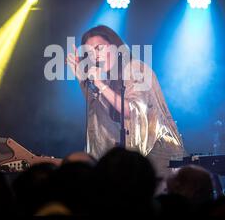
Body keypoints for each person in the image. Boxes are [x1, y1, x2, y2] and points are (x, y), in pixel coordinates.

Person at [66, 25, 186, 179]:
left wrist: (100, 84)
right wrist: (83, 80)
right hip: (131, 159)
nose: (95, 56)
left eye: (99, 48)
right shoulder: (106, 78)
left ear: (115, 47)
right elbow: (102, 113)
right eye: (89, 53)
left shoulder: (137, 69)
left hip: (157, 154)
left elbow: (132, 111)